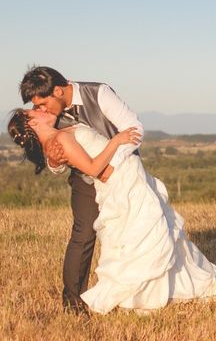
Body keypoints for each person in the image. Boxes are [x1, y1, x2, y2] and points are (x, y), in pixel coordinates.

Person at [7, 108, 216, 314]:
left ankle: (153, 289)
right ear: (31, 123)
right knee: (145, 236)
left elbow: (62, 163)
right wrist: (117, 141)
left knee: (146, 236)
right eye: (34, 110)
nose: (40, 108)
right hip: (122, 183)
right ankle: (146, 291)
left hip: (127, 180)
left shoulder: (55, 141)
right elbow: (95, 169)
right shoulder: (59, 140)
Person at [19, 66, 145, 313]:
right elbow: (55, 159)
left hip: (121, 174)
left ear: (58, 90)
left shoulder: (99, 93)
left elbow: (134, 130)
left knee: (131, 232)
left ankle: (133, 290)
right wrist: (55, 162)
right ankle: (73, 301)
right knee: (83, 233)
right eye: (37, 107)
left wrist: (111, 169)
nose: (41, 111)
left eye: (43, 104)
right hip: (84, 179)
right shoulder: (48, 116)